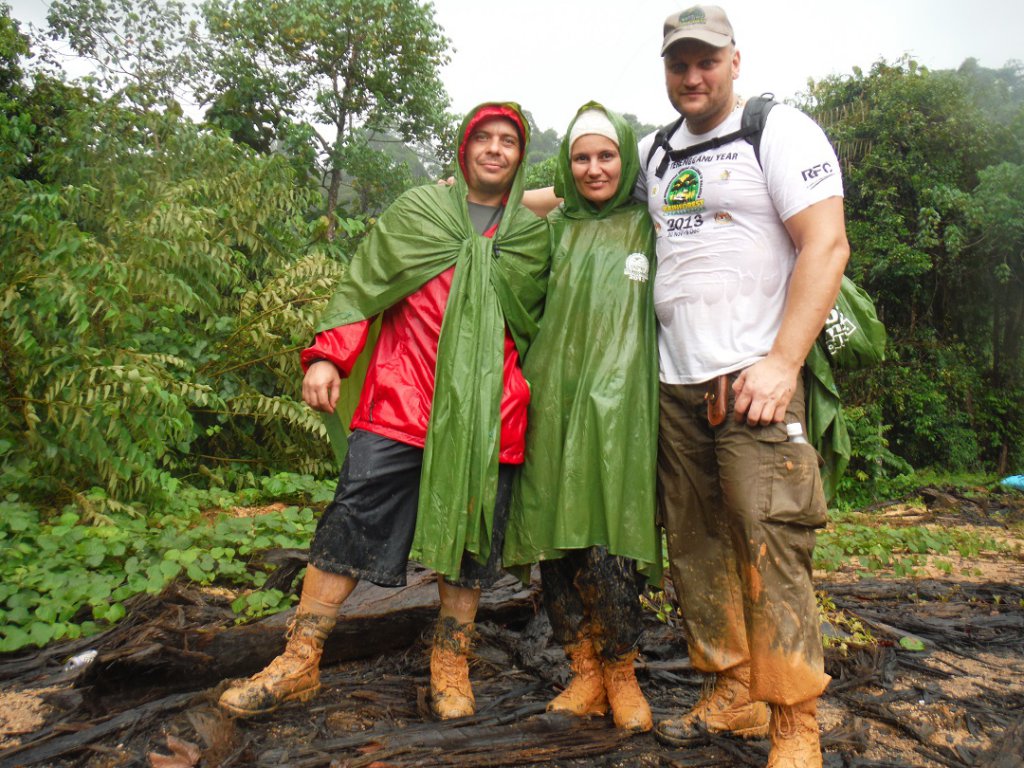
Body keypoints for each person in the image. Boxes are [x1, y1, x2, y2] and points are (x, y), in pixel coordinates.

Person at [218, 102, 549, 721]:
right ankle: (299, 660)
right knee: (351, 519)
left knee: (470, 539)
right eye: (484, 137)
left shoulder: (530, 238)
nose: (495, 149)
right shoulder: (419, 211)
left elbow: (549, 323)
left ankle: (450, 664)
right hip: (403, 396)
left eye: (509, 141)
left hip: (486, 412)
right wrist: (328, 356)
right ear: (463, 147)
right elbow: (362, 284)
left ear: (521, 157)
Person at [642, 7, 849, 768]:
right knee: (695, 545)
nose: (692, 76)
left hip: (755, 381)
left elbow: (826, 244)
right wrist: (492, 199)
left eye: (706, 61)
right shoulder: (657, 153)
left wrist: (784, 362)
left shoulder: (778, 131)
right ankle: (732, 691)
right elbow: (580, 196)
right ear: (666, 71)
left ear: (735, 61)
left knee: (771, 542)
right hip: (676, 384)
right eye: (679, 64)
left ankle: (795, 721)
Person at [503, 103, 661, 733]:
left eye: (606, 156)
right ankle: (584, 671)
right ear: (566, 166)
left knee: (610, 537)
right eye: (581, 158)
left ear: (627, 159)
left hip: (625, 409)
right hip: (554, 400)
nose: (594, 169)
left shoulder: (652, 225)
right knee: (554, 535)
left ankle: (622, 671)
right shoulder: (552, 229)